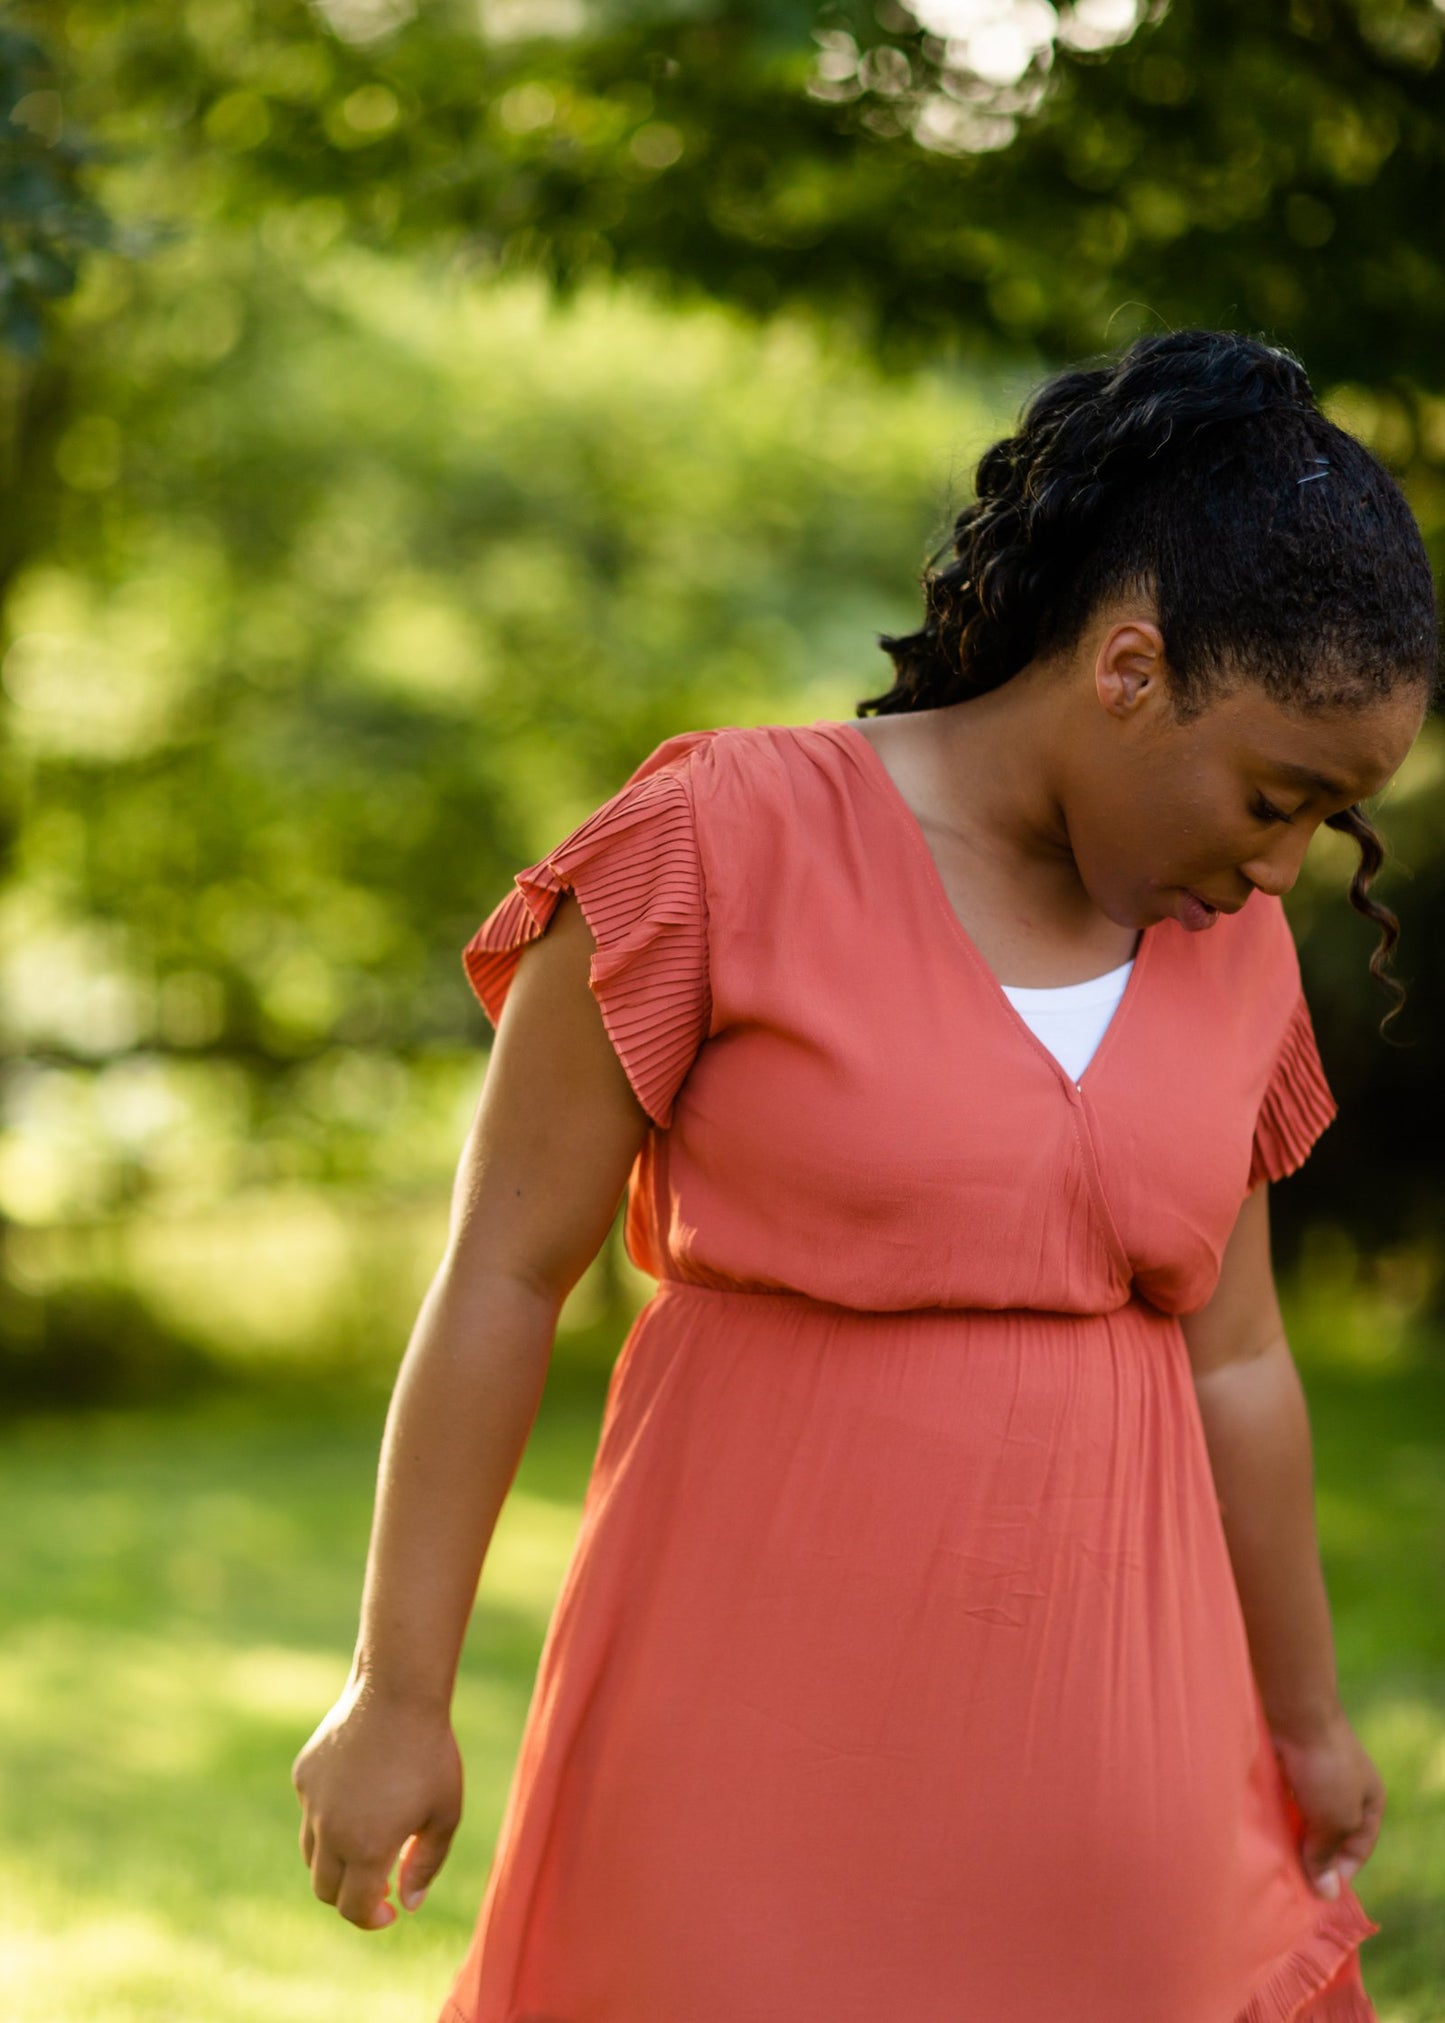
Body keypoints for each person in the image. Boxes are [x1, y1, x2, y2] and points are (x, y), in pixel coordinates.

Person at [292, 327, 1439, 2022]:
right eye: (1273, 798)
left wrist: (1303, 1720)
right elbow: (501, 1275)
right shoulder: (714, 841)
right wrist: (398, 1690)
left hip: (1121, 1808)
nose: (1280, 869)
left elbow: (1243, 1358)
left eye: (1327, 826)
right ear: (1128, 669)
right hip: (733, 1762)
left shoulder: (1232, 955)